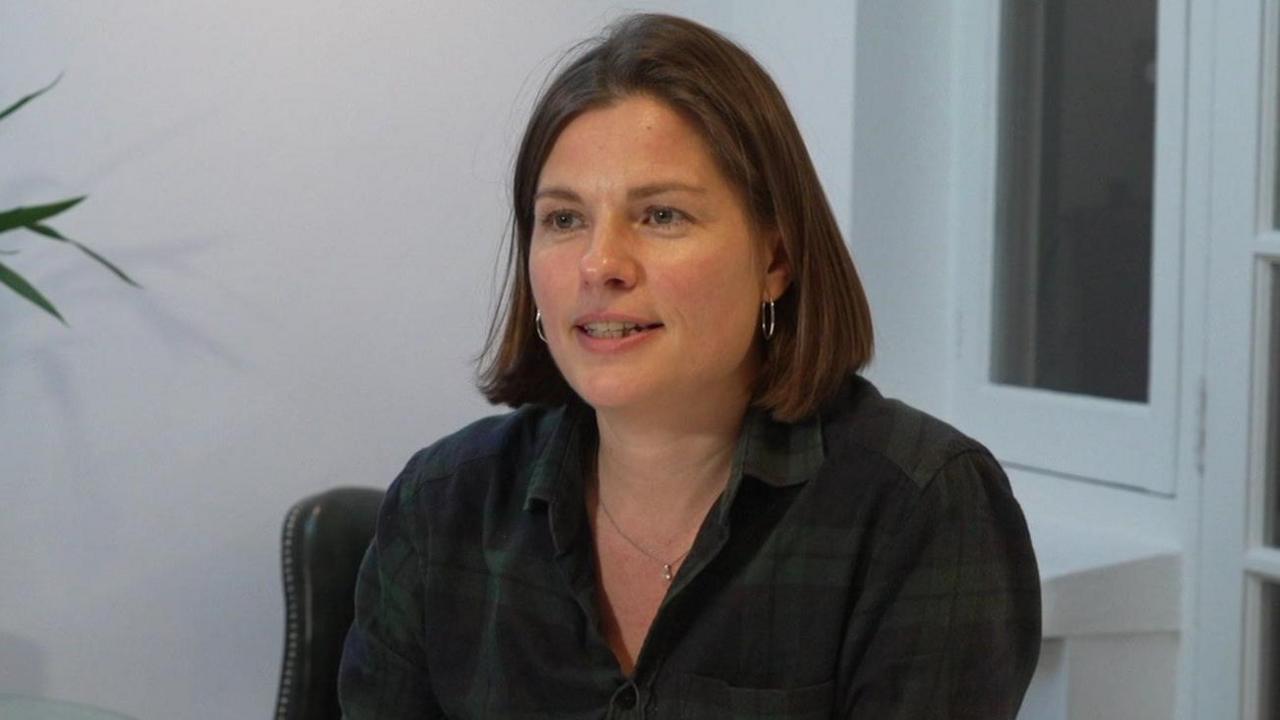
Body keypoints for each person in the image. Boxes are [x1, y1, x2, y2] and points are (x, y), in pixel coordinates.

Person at [338, 13, 1040, 719]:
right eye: (563, 219)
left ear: (775, 259)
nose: (599, 264)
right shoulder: (441, 505)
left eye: (661, 215)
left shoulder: (919, 506)